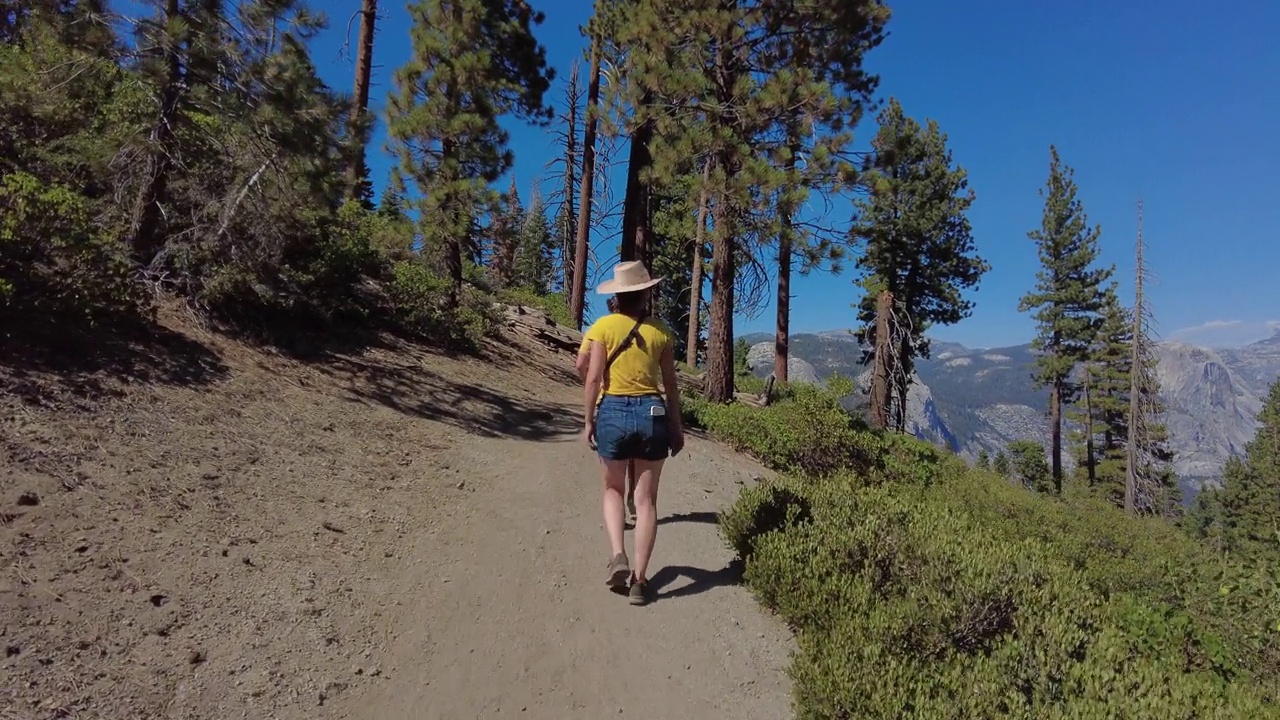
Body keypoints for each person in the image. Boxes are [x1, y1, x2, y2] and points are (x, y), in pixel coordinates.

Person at [581, 260, 685, 605]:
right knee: (646, 502)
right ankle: (640, 582)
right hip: (653, 413)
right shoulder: (661, 331)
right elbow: (670, 385)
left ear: (618, 295)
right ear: (645, 293)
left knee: (613, 489)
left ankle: (618, 555)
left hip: (613, 410)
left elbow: (593, 377)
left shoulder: (602, 327)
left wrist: (588, 419)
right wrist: (676, 427)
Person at [575, 297, 637, 523]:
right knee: (633, 454)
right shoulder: (638, 327)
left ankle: (617, 508)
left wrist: (590, 384)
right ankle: (632, 497)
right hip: (636, 398)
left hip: (608, 400)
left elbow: (581, 363)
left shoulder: (597, 328)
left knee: (613, 460)